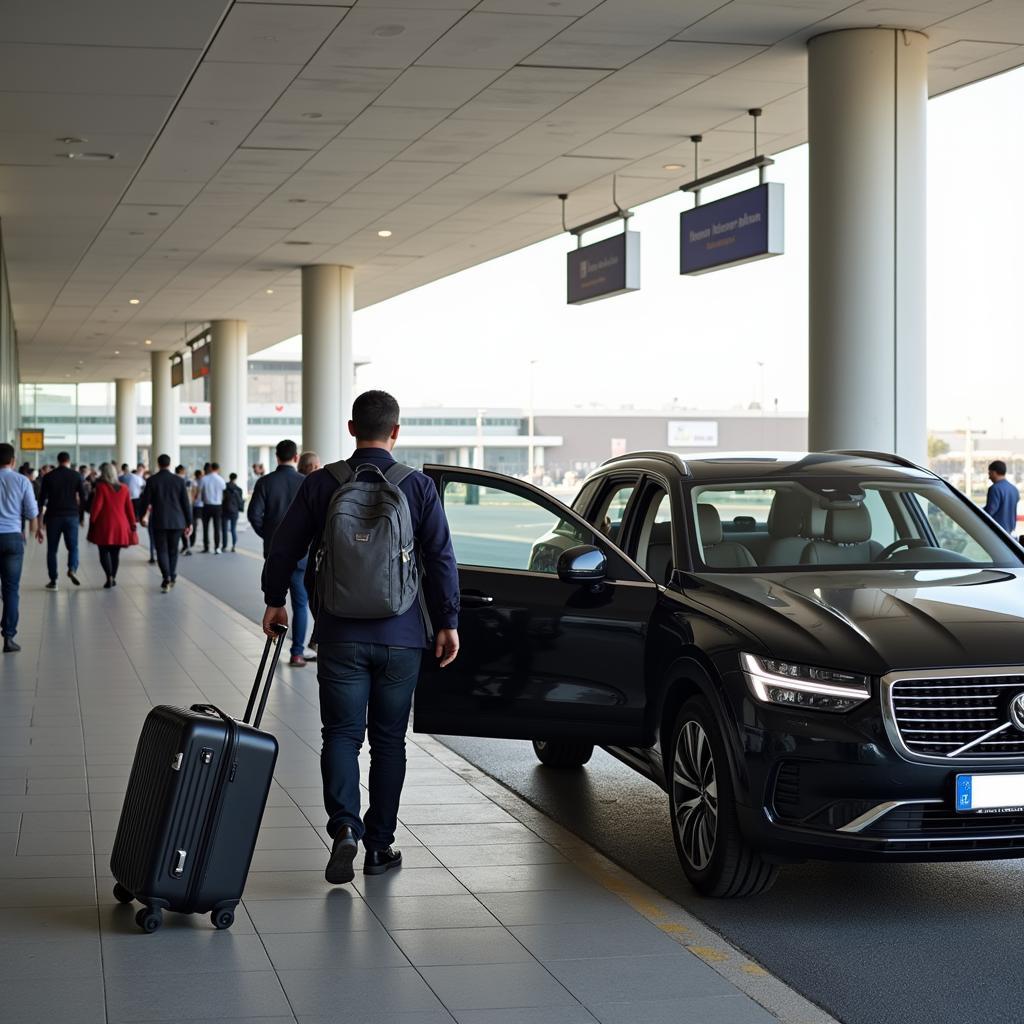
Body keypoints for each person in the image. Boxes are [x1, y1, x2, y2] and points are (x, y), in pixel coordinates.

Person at [261, 391, 460, 884]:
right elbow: (440, 559)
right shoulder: (416, 486)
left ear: (351, 429)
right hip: (402, 636)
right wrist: (448, 621)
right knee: (389, 742)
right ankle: (380, 846)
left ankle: (344, 829)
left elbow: (284, 547)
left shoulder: (322, 483)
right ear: (396, 431)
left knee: (342, 735)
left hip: (339, 634)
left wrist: (274, 599)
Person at [249, 440, 310, 667]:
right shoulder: (305, 482)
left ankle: (274, 645)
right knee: (300, 604)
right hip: (302, 554)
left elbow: (254, 514)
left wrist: (268, 535)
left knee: (275, 599)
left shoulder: (265, 482)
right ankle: (297, 653)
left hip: (275, 553)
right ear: (296, 457)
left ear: (276, 457)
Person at [0, 443, 40, 653]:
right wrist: (37, 529)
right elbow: (31, 511)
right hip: (13, 539)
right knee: (11, 589)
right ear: (13, 461)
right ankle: (8, 637)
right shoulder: (22, 481)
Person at [140, 454, 194, 593]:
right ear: (169, 464)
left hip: (159, 521)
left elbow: (145, 501)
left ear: (158, 464)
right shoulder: (179, 480)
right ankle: (172, 575)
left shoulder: (152, 480)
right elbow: (185, 503)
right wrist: (189, 522)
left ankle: (166, 577)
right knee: (173, 550)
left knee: (161, 550)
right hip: (177, 521)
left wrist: (141, 516)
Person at [38, 451, 86, 589]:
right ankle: (72, 568)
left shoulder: (49, 476)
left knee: (52, 550)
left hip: (53, 517)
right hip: (71, 516)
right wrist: (81, 517)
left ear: (58, 461)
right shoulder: (76, 476)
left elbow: (41, 500)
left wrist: (40, 522)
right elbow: (83, 498)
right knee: (73, 547)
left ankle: (53, 580)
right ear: (68, 461)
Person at [87, 463, 137, 588]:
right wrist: (132, 523)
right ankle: (113, 577)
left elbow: (97, 507)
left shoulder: (101, 487)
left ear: (104, 474)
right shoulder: (125, 488)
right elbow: (129, 508)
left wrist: (92, 520)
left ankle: (108, 576)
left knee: (103, 552)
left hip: (104, 525)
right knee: (115, 554)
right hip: (120, 525)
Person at [984, 460, 1020, 535]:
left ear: (994, 472)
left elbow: (990, 511)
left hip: (996, 531)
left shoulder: (994, 489)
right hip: (1009, 532)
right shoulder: (1014, 489)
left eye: (989, 473)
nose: (989, 477)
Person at [198, 461, 226, 553]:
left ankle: (206, 547)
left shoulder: (204, 479)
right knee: (217, 527)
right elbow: (224, 491)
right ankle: (217, 547)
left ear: (210, 468)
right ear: (217, 469)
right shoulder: (221, 479)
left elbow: (200, 491)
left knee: (205, 527)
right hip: (217, 506)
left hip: (206, 506)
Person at [222, 472, 245, 553]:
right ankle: (234, 546)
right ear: (236, 478)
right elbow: (240, 501)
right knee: (233, 529)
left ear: (229, 477)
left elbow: (222, 499)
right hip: (234, 511)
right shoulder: (239, 490)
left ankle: (224, 546)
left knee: (224, 529)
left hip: (224, 510)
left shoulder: (224, 487)